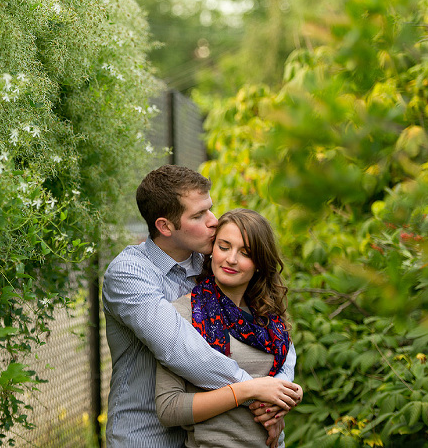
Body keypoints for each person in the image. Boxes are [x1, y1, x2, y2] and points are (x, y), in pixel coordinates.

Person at [103, 165, 301, 448]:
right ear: (165, 226)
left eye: (210, 208)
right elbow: (181, 350)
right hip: (146, 435)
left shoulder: (211, 265)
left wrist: (277, 397)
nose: (213, 221)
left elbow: (274, 333)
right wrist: (257, 393)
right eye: (198, 215)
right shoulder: (130, 274)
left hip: (205, 436)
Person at [154, 208, 301, 448]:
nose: (231, 259)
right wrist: (248, 391)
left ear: (260, 263)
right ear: (211, 251)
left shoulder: (269, 317)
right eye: (224, 247)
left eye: (245, 253)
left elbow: (281, 381)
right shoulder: (182, 314)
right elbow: (169, 408)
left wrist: (289, 398)